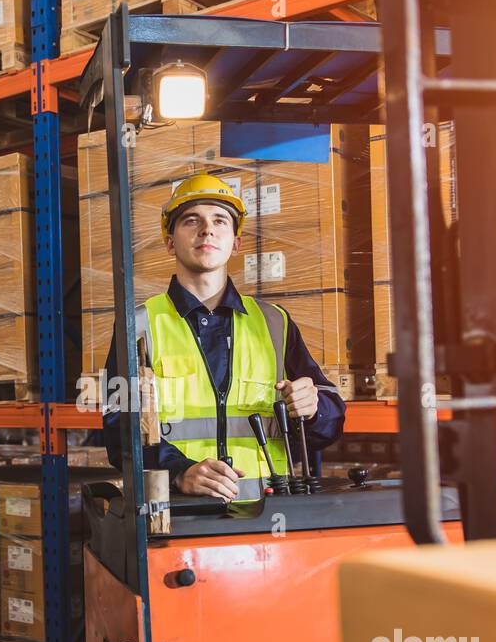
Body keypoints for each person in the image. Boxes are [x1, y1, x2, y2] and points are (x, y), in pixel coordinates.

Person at [103, 173, 345, 501]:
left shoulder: (274, 322)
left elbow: (332, 415)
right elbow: (118, 430)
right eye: (191, 220)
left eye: (220, 220)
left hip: (268, 512)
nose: (207, 229)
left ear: (236, 243)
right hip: (180, 513)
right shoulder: (137, 326)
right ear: (170, 242)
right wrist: (179, 470)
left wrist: (314, 408)